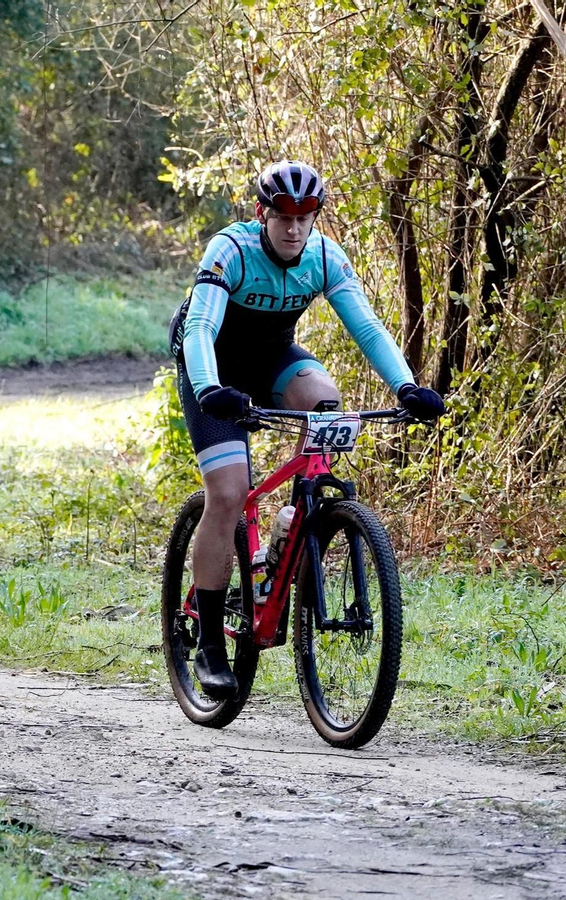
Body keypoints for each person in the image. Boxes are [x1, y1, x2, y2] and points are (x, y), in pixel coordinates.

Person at [171, 160, 445, 698]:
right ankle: (207, 640)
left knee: (324, 402)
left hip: (270, 360)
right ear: (262, 213)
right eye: (282, 215)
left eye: (305, 216)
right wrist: (208, 388)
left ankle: (292, 524)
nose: (293, 228)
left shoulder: (323, 257)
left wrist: (406, 387)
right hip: (210, 365)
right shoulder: (230, 249)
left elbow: (365, 325)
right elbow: (201, 326)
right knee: (226, 493)